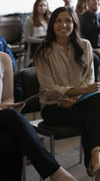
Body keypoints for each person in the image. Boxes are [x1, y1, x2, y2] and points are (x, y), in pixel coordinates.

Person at [33, 7, 100, 180]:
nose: (64, 25)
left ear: (75, 23)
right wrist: (79, 92)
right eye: (58, 21)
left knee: (96, 99)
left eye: (68, 20)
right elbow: (48, 89)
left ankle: (96, 157)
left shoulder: (85, 45)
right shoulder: (43, 51)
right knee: (92, 116)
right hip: (54, 107)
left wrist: (76, 97)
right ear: (52, 24)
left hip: (80, 102)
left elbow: (89, 79)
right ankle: (94, 161)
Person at [0, 52, 77, 181]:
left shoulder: (3, 59)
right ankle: (56, 172)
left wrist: (7, 106)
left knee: (8, 140)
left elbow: (7, 98)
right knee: (11, 120)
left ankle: (55, 173)